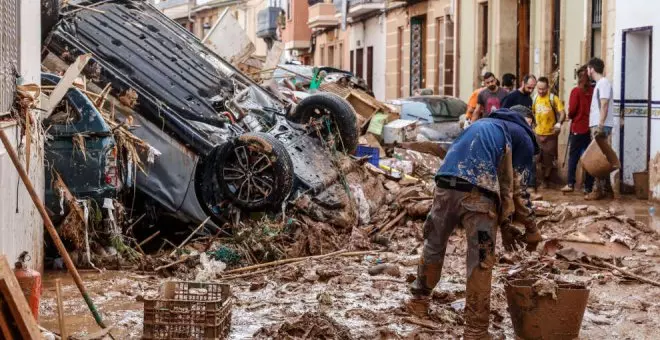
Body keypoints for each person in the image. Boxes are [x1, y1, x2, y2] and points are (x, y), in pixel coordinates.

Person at [405, 106, 541, 339]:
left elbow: (502, 181)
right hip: (478, 194)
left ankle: (419, 301)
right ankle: (475, 331)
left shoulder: (482, 124)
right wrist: (531, 228)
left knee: (434, 245)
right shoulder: (523, 136)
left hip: (444, 185)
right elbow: (518, 187)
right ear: (529, 121)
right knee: (480, 261)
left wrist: (506, 224)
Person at [585, 57, 614, 200]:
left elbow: (604, 104)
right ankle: (607, 189)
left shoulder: (603, 83)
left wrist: (600, 125)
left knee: (597, 158)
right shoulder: (600, 84)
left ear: (591, 69)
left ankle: (597, 190)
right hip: (599, 124)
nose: (587, 71)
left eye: (588, 69)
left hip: (600, 125)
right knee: (602, 157)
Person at [562, 66, 595, 193]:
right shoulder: (592, 91)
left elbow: (572, 110)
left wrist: (570, 116)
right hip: (590, 128)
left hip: (578, 128)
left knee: (573, 157)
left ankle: (570, 183)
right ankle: (588, 186)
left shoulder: (576, 91)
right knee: (589, 157)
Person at [532, 76, 566, 189]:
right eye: (539, 88)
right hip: (537, 133)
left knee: (549, 159)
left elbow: (562, 112)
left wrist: (559, 123)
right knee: (537, 158)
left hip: (550, 135)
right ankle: (539, 179)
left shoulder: (553, 98)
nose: (541, 91)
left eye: (543, 89)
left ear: (548, 88)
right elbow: (531, 113)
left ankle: (546, 179)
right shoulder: (535, 98)